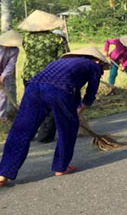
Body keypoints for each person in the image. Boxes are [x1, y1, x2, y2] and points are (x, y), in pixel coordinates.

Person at [0, 47, 109, 186]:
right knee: (67, 129)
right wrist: (78, 114)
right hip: (59, 91)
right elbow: (89, 95)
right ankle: (61, 167)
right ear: (98, 61)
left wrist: (75, 112)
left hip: (33, 88)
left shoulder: (61, 62)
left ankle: (3, 173)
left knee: (21, 130)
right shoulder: (93, 66)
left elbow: (72, 91)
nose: (101, 72)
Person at [19, 10, 69, 143]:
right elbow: (63, 58)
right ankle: (45, 135)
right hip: (50, 76)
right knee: (51, 106)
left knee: (32, 105)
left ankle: (27, 134)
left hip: (29, 75)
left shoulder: (27, 38)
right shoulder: (57, 39)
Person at [0, 30, 22, 122]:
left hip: (5, 74)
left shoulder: (15, 50)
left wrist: (3, 75)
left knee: (3, 96)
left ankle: (1, 117)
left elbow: (11, 64)